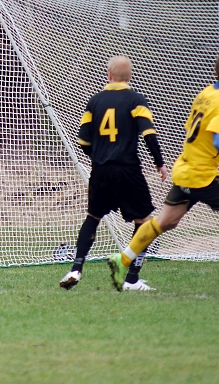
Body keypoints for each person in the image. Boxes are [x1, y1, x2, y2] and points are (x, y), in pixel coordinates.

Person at [108, 49, 219, 290]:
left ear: (217, 70)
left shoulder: (206, 93)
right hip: (202, 176)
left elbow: (200, 132)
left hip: (184, 169)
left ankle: (123, 259)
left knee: (164, 222)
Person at [60, 56, 167, 291]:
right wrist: (160, 163)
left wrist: (99, 158)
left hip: (100, 170)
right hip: (127, 169)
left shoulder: (94, 101)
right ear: (129, 76)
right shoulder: (136, 100)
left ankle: (76, 269)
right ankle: (131, 278)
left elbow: (83, 141)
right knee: (145, 221)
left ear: (108, 75)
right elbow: (148, 134)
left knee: (93, 217)